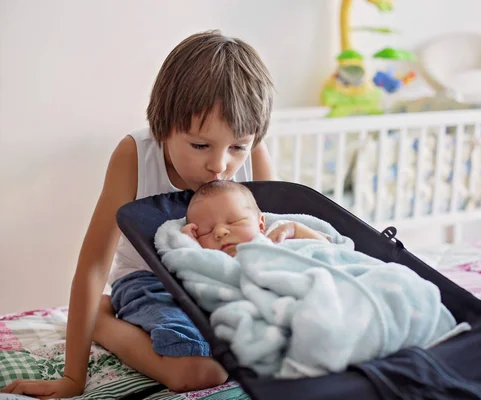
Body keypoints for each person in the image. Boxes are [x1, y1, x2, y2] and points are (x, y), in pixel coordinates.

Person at [1, 30, 276, 399]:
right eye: (199, 145)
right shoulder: (136, 155)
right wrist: (71, 379)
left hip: (222, 282)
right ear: (163, 126)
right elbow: (94, 264)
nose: (220, 165)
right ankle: (102, 320)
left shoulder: (255, 155)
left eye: (238, 147)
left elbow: (272, 246)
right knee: (200, 372)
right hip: (149, 284)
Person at [182, 180, 330, 256]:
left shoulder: (276, 235)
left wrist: (295, 229)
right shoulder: (215, 263)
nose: (220, 232)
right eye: (206, 231)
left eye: (234, 221)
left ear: (260, 225)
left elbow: (328, 251)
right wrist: (188, 243)